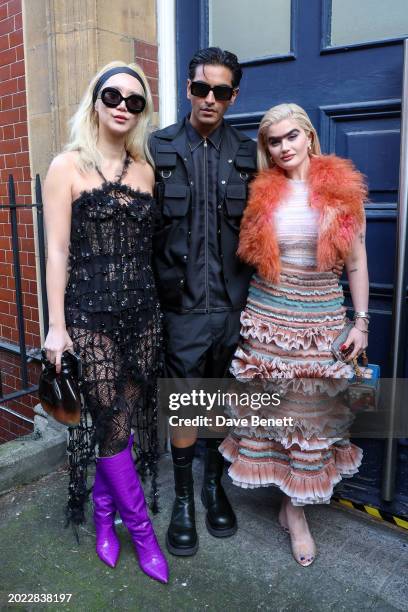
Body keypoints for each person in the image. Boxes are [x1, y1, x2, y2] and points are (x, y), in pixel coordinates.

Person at [220, 103, 369, 567]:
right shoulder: (263, 193)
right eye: (274, 141)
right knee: (277, 417)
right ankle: (288, 501)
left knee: (311, 420)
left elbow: (357, 262)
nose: (283, 148)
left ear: (308, 136)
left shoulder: (342, 189)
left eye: (290, 137)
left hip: (321, 320)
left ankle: (296, 510)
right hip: (268, 320)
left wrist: (361, 322)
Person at [43, 61, 168, 583]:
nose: (123, 106)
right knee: (112, 423)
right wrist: (56, 326)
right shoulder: (67, 167)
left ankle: (102, 513)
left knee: (120, 420)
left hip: (143, 315)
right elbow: (56, 249)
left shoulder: (146, 170)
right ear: (95, 101)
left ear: (142, 113)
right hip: (89, 315)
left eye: (135, 101)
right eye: (113, 96)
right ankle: (141, 534)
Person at [149, 47, 258, 556]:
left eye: (220, 91)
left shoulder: (249, 153)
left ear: (233, 97)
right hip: (182, 307)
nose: (208, 98)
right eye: (200, 88)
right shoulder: (158, 147)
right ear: (188, 88)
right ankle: (185, 501)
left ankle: (215, 488)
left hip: (233, 305)